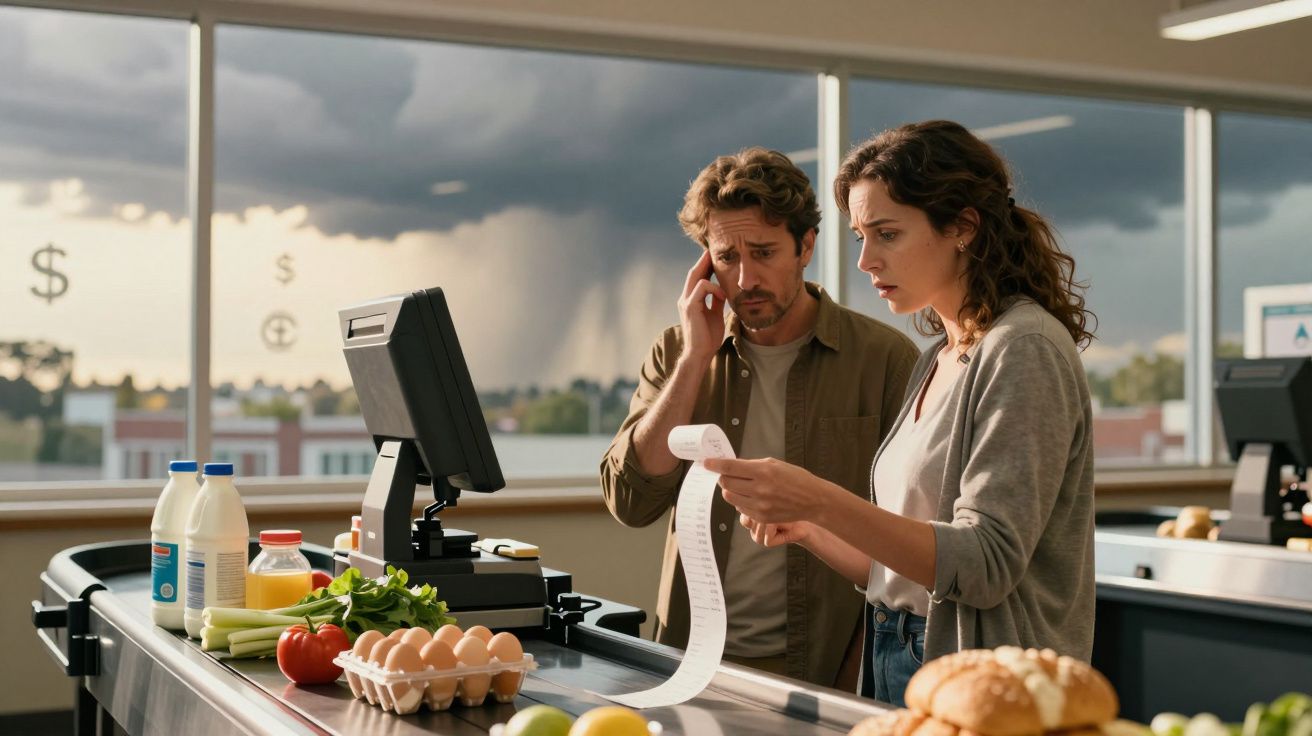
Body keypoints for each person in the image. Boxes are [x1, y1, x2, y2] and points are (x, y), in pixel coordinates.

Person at [707, 120, 1097, 707]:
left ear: (962, 226)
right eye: (860, 235)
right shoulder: (937, 356)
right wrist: (810, 530)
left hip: (989, 688)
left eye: (886, 234)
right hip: (899, 652)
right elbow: (903, 570)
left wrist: (817, 498)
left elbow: (985, 563)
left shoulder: (1024, 349)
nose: (865, 260)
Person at [600, 147, 918, 689]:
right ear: (705, 262)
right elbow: (630, 501)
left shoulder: (886, 361)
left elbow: (903, 550)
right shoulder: (677, 353)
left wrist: (856, 677)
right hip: (690, 665)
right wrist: (697, 357)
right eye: (726, 257)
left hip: (822, 674)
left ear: (806, 247)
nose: (745, 278)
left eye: (765, 252)